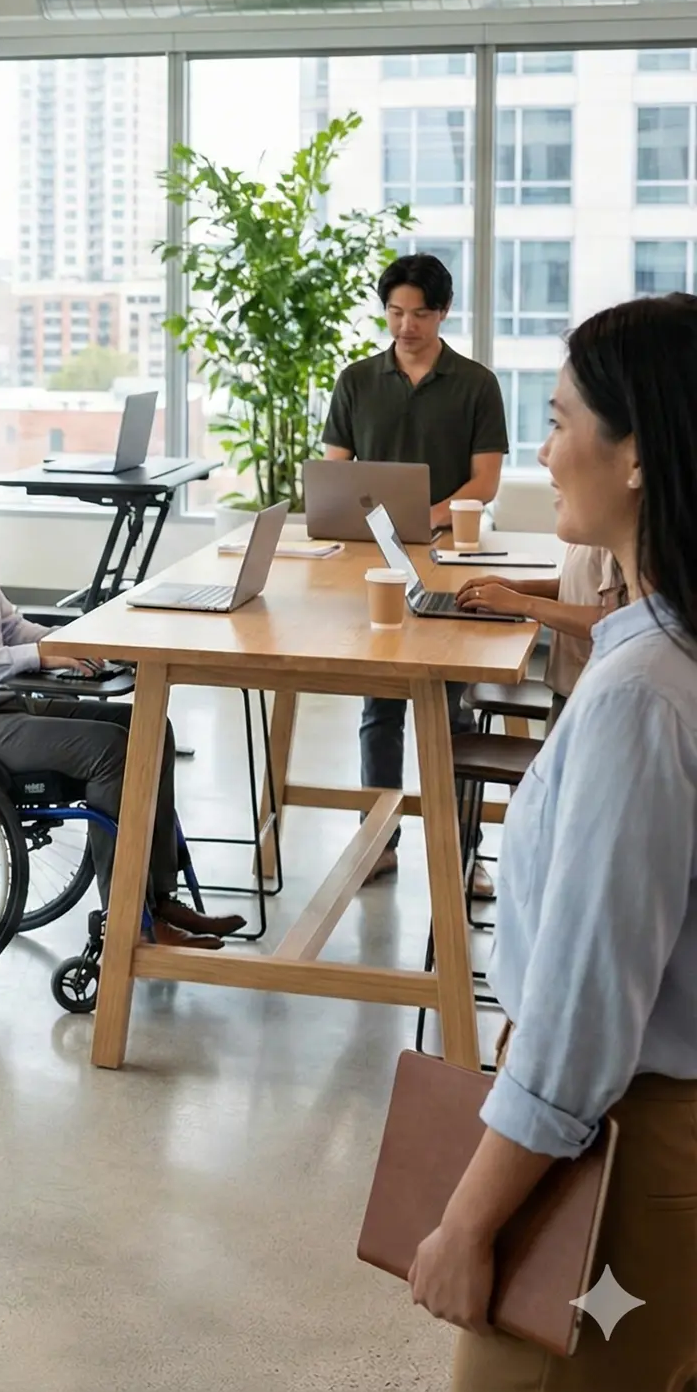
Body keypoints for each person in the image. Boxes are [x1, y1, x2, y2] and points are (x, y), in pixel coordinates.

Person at [406, 295, 697, 1392]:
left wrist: (470, 1218)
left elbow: (582, 1013)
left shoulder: (642, 695)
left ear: (635, 456)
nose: (543, 446)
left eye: (561, 417)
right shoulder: (667, 656)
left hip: (614, 1158)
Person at [0, 412, 244, 949]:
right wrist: (35, 657)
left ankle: (159, 901)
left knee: (148, 724)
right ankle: (128, 925)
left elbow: (8, 625)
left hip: (2, 708)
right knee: (110, 750)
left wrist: (71, 647)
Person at [322, 252, 510, 889]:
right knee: (380, 707)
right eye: (396, 312)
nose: (406, 326)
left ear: (444, 312)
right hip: (375, 563)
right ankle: (378, 842)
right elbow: (335, 473)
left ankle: (465, 850)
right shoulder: (356, 380)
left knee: (455, 709)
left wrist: (422, 516)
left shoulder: (476, 382)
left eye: (420, 314)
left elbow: (484, 482)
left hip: (452, 560)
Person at [456, 546, 628, 721]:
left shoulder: (612, 538)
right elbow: (580, 584)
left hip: (591, 697)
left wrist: (522, 603)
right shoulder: (592, 534)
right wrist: (515, 589)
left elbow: (614, 621)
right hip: (571, 686)